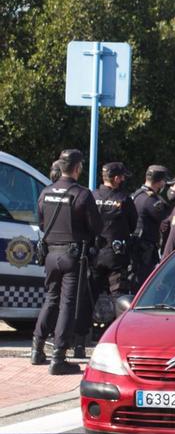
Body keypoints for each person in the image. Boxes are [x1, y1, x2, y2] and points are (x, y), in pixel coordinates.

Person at [32, 149, 101, 374]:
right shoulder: (81, 194)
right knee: (67, 305)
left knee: (51, 299)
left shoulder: (45, 192)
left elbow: (42, 223)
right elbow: (96, 227)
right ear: (78, 168)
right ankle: (58, 358)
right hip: (73, 256)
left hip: (51, 255)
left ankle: (37, 349)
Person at [74, 162, 138, 357]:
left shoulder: (91, 196)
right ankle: (118, 345)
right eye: (122, 176)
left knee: (87, 298)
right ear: (116, 178)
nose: (124, 179)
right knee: (119, 298)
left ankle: (79, 344)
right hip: (116, 256)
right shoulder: (124, 199)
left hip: (94, 255)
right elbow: (133, 224)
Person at [130, 165, 171, 289]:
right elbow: (166, 217)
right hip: (145, 248)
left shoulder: (137, 194)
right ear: (161, 182)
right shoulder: (151, 200)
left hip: (136, 245)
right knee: (145, 283)